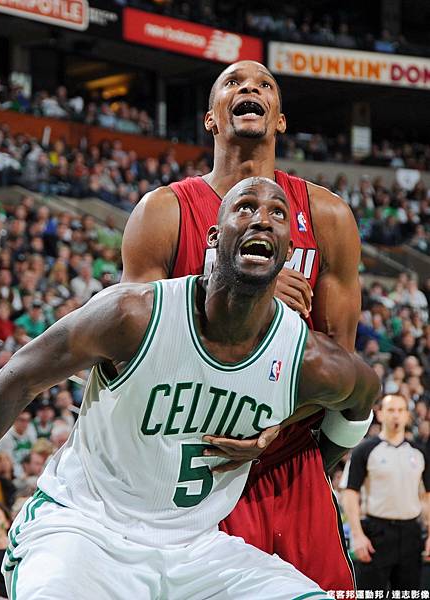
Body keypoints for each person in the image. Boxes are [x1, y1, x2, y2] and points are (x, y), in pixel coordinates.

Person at [0, 179, 378, 599]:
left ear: (287, 253)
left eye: (277, 213)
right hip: (84, 532)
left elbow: (364, 395)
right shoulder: (134, 315)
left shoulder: (305, 358)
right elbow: (17, 380)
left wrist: (308, 446)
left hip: (197, 550)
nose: (262, 219)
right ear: (212, 238)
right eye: (244, 208)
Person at [122, 60, 363, 590]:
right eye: (233, 83)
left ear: (278, 120)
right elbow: (132, 352)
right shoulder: (162, 213)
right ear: (211, 118)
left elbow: (341, 362)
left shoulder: (328, 217)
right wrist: (240, 286)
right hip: (193, 469)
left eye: (264, 85)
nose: (249, 87)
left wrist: (275, 418)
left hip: (290, 464)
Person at [341, 394, 430, 592]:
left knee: (409, 594)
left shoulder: (419, 452)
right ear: (380, 414)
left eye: (400, 410)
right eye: (390, 410)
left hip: (411, 534)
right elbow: (350, 494)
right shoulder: (365, 449)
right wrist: (357, 535)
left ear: (407, 415)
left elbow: (427, 496)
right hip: (376, 533)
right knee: (371, 594)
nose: (395, 415)